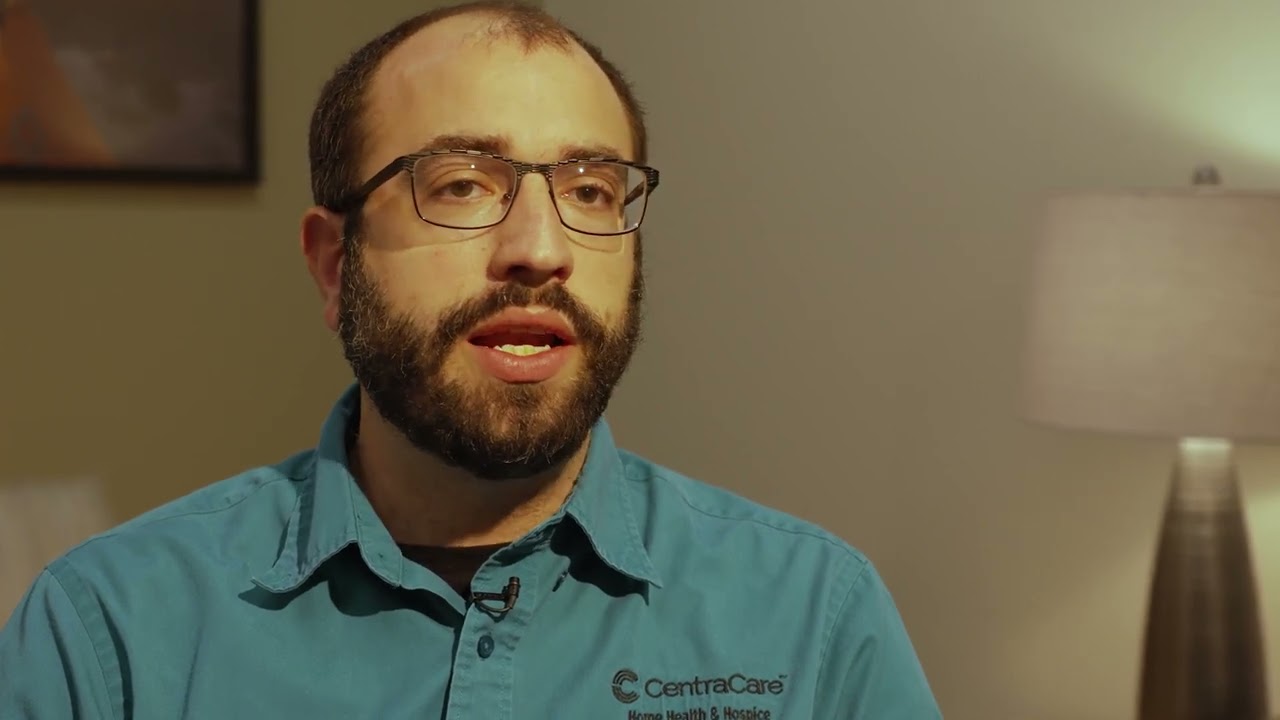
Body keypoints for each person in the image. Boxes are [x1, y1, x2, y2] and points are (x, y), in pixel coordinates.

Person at [0, 2, 941, 717]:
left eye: (591, 189)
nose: (541, 248)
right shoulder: (107, 638)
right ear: (334, 265)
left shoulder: (814, 621)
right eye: (460, 185)